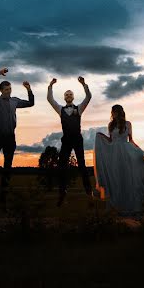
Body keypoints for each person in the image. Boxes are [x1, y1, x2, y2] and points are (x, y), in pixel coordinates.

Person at [0, 67, 34, 212]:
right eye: (6, 90)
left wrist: (29, 89)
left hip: (10, 138)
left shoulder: (15, 101)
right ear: (1, 91)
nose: (9, 91)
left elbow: (31, 103)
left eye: (10, 89)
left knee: (7, 169)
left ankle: (2, 200)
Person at [94, 105, 144, 214]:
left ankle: (133, 205)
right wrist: (101, 136)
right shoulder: (111, 125)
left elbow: (131, 139)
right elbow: (110, 139)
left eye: (114, 111)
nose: (113, 114)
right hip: (114, 153)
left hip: (127, 151)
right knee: (117, 177)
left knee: (129, 177)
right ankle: (119, 204)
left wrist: (139, 151)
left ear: (119, 112)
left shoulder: (128, 124)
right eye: (112, 112)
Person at [47, 76, 93, 206]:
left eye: (70, 94)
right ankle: (62, 193)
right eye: (66, 94)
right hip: (66, 140)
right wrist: (50, 85)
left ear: (73, 97)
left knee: (82, 166)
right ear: (64, 97)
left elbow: (88, 97)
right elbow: (50, 99)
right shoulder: (60, 110)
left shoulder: (79, 109)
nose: (68, 95)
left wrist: (84, 84)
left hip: (77, 139)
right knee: (62, 167)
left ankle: (89, 192)